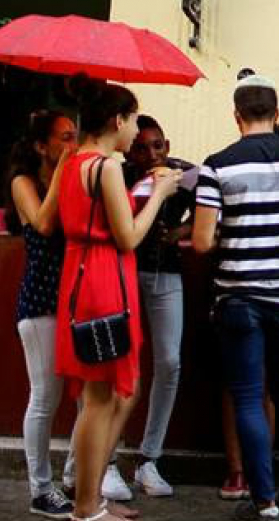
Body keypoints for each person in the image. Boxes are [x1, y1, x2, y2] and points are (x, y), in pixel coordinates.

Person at [193, 71, 279, 520]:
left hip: (237, 296)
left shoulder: (218, 164)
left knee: (249, 396)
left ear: (236, 117)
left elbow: (200, 242)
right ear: (276, 114)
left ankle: (264, 499)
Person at [56, 76, 181, 521]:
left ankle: (90, 499)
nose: (133, 132)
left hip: (79, 277)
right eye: (131, 121)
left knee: (101, 396)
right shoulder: (105, 166)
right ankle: (87, 506)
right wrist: (160, 195)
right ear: (116, 119)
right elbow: (128, 237)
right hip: (106, 278)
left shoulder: (72, 162)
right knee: (101, 399)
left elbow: (51, 219)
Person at [112, 114, 195, 499]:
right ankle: (106, 461)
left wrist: (181, 231)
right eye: (141, 146)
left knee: (170, 361)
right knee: (118, 364)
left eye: (157, 145)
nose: (150, 153)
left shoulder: (181, 175)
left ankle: (149, 458)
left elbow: (215, 203)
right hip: (124, 274)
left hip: (168, 275)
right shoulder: (120, 176)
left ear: (168, 145)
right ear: (130, 149)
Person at [9, 109, 78, 519]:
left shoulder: (69, 178)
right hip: (39, 304)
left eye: (75, 135)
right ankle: (40, 489)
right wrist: (64, 173)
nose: (71, 143)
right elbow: (44, 223)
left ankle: (73, 476)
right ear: (41, 145)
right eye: (64, 137)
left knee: (87, 395)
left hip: (73, 300)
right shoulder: (24, 183)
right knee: (45, 397)